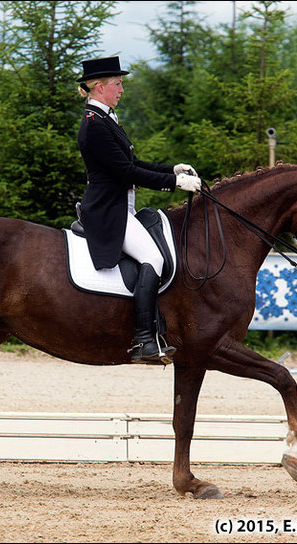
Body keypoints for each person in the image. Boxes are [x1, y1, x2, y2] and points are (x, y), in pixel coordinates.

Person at [75, 56, 202, 364]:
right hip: (108, 212)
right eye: (117, 84)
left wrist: (171, 169)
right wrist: (174, 183)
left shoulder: (106, 119)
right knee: (153, 257)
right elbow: (126, 173)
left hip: (120, 207)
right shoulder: (94, 125)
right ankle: (144, 339)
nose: (122, 89)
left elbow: (132, 164)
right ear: (100, 87)